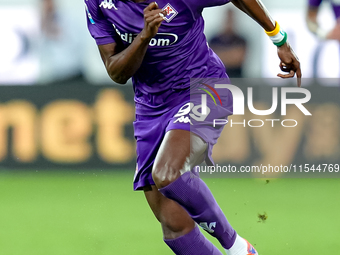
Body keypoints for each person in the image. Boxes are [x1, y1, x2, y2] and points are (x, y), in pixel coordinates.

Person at [84, 0, 301, 254]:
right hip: (151, 107)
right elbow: (116, 72)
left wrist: (278, 38)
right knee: (174, 224)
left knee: (167, 173)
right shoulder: (98, 2)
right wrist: (144, 37)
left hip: (203, 87)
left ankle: (238, 247)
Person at [209, 8, 247, 78]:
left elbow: (238, 59)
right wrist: (232, 54)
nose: (229, 20)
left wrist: (221, 54)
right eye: (227, 17)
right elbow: (212, 60)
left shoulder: (241, 40)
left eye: (231, 18)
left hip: (237, 80)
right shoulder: (213, 40)